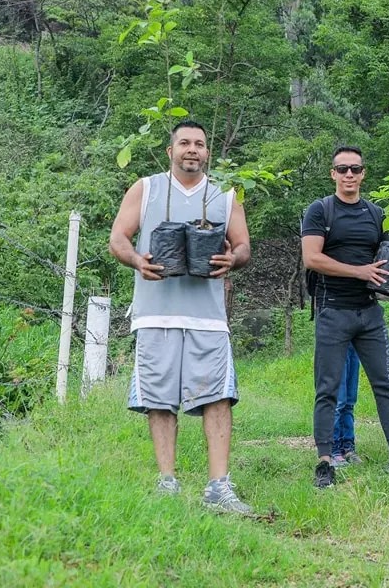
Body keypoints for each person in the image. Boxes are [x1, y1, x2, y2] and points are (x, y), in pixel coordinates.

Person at [109, 120, 253, 514]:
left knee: (219, 398)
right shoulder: (147, 187)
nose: (193, 149)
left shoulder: (224, 195)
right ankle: (167, 481)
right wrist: (138, 260)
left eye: (200, 144)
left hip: (208, 318)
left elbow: (242, 247)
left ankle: (219, 487)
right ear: (170, 150)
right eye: (185, 143)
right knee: (158, 399)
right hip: (155, 315)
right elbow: (118, 238)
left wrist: (232, 259)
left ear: (208, 153)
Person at [301, 145, 389, 488]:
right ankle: (325, 461)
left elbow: (385, 263)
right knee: (327, 388)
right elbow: (312, 258)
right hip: (333, 311)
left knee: (385, 385)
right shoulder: (320, 211)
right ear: (332, 173)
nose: (348, 175)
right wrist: (359, 272)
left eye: (355, 169)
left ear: (363, 174)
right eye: (342, 169)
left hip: (369, 313)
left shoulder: (376, 214)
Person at [330, 346, 363, 467]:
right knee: (338, 402)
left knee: (349, 402)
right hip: (337, 342)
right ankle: (334, 450)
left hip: (354, 345)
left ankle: (348, 448)